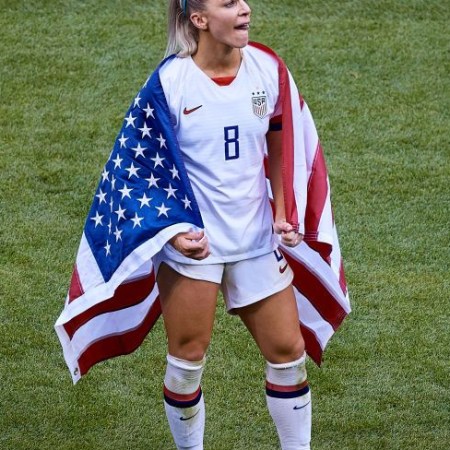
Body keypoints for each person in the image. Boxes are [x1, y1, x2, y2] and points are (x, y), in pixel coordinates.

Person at [156, 1, 311, 449]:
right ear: (199, 19)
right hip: (196, 243)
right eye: (228, 3)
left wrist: (283, 208)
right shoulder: (170, 83)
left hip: (256, 237)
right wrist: (173, 233)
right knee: (186, 364)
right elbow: (145, 170)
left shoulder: (267, 69)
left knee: (289, 356)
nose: (245, 9)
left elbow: (280, 133)